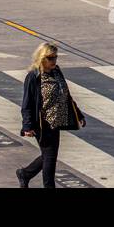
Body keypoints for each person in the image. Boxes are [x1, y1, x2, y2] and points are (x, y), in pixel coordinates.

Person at [18, 42, 85, 188]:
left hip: (56, 122)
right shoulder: (33, 76)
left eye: (56, 57)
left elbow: (66, 95)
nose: (54, 60)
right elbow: (27, 104)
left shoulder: (57, 71)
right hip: (42, 124)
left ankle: (25, 174)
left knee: (49, 156)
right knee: (50, 158)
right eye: (50, 58)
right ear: (42, 58)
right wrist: (27, 126)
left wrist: (78, 114)